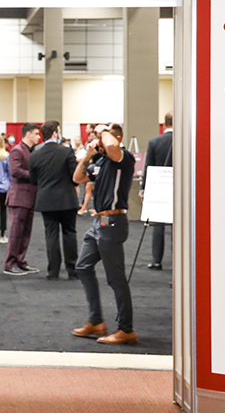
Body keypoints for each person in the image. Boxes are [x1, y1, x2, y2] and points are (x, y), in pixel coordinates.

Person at [72, 123, 137, 345]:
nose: (98, 141)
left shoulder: (123, 158)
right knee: (82, 266)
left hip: (114, 222)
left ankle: (126, 329)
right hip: (98, 222)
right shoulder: (101, 162)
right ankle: (96, 321)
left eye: (101, 138)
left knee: (116, 278)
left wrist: (104, 131)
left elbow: (111, 144)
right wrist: (88, 155)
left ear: (115, 137)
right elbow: (78, 178)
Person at [29, 120, 80, 280]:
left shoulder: (35, 154)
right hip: (67, 199)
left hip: (46, 199)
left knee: (51, 234)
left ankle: (53, 271)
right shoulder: (67, 152)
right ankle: (72, 270)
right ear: (55, 133)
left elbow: (33, 179)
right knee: (69, 233)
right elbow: (75, 178)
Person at [4, 123, 41, 276]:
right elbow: (15, 171)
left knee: (25, 232)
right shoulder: (17, 150)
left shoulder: (31, 151)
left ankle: (20, 261)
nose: (39, 137)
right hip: (19, 197)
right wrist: (35, 176)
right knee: (16, 232)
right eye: (36, 134)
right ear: (28, 134)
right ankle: (10, 263)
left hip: (29, 197)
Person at [141, 111, 173, 270]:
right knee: (178, 226)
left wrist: (144, 189)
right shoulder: (185, 141)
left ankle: (157, 260)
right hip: (180, 188)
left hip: (159, 186)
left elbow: (148, 166)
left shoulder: (154, 142)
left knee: (158, 225)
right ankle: (178, 260)